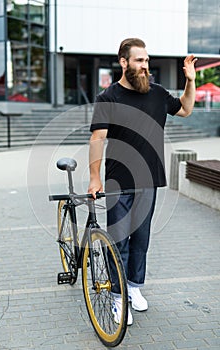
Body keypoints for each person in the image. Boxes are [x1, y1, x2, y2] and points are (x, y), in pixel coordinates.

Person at [88, 38, 197, 325]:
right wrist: (95, 177)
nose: (144, 65)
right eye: (139, 60)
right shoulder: (108, 98)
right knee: (118, 241)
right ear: (123, 62)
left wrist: (190, 81)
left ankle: (134, 288)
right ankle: (116, 296)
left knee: (141, 240)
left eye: (146, 60)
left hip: (148, 180)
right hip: (117, 182)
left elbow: (185, 109)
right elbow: (98, 139)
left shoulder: (157, 93)